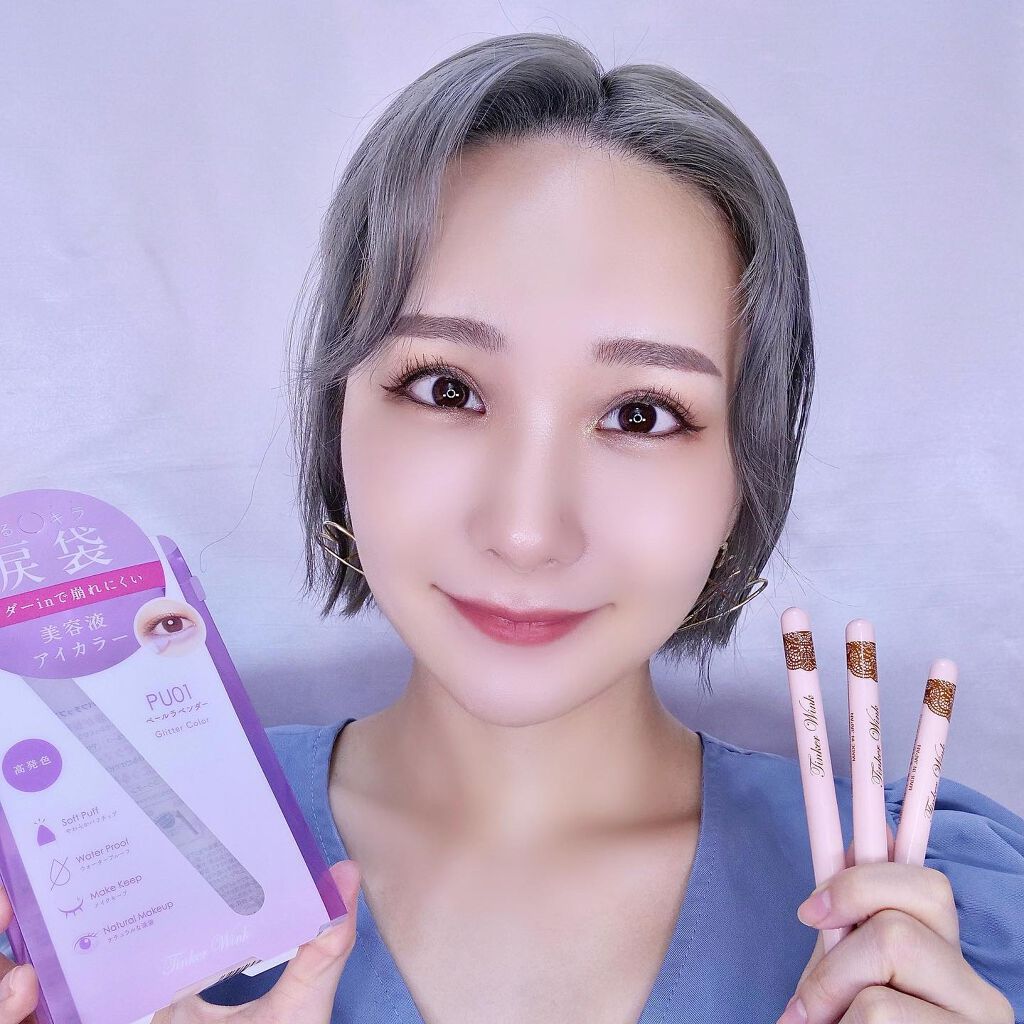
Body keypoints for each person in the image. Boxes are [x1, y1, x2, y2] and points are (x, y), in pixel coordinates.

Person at [1, 30, 1020, 1024]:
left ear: (744, 473)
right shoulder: (86, 877)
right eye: (446, 388)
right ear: (337, 417)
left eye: (641, 415)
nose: (527, 531)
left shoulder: (936, 920)